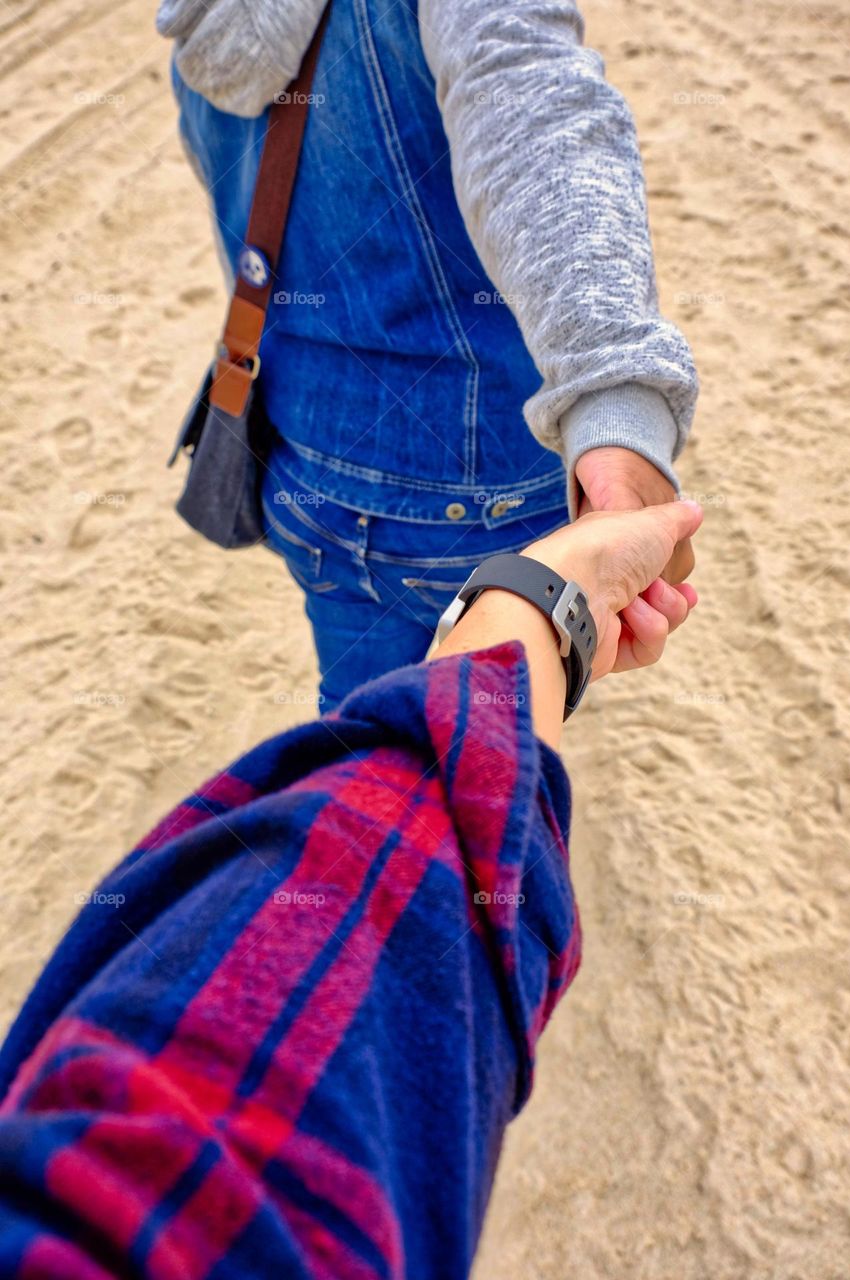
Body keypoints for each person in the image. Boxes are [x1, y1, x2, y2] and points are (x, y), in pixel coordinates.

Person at [0, 499, 701, 1277]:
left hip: (327, 501)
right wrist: (542, 596)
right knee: (379, 723)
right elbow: (404, 857)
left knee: (359, 695)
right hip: (453, 530)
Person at [157, 0, 699, 710]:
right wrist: (613, 395)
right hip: (474, 493)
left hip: (306, 460)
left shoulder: (204, 18)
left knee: (367, 740)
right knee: (489, 776)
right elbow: (533, 110)